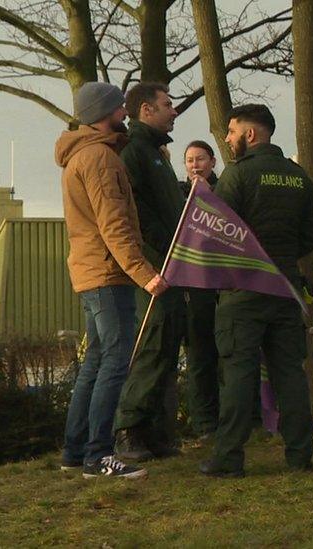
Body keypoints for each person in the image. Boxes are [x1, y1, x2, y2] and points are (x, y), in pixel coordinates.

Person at [55, 81, 169, 479]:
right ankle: (98, 455)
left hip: (91, 272)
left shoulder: (80, 157)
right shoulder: (101, 161)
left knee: (96, 363)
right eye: (120, 107)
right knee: (114, 363)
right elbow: (114, 225)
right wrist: (146, 275)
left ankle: (75, 450)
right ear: (106, 113)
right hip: (109, 273)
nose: (126, 111)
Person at [199, 104, 313, 477]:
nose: (229, 139)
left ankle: (229, 457)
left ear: (251, 135)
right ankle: (300, 456)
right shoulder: (299, 178)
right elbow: (308, 237)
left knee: (239, 373)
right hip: (285, 288)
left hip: (243, 291)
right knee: (290, 374)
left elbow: (214, 235)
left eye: (232, 132)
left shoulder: (237, 176)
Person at [113, 82, 187, 460]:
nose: (174, 111)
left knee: (167, 345)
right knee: (153, 344)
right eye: (167, 105)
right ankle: (128, 429)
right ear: (145, 110)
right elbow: (134, 213)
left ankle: (154, 431)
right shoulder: (135, 153)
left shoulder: (156, 153)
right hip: (154, 265)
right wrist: (156, 254)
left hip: (170, 263)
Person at [178, 140, 221, 442]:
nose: (195, 165)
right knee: (199, 356)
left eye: (200, 159)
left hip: (224, 282)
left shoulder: (226, 191)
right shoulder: (179, 194)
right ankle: (205, 423)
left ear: (213, 162)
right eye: (190, 160)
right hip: (195, 286)